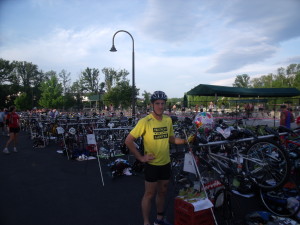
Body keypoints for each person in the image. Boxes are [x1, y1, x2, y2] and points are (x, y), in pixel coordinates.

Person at [125, 91, 187, 225]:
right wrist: (141, 158)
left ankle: (159, 219)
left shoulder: (167, 119)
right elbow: (128, 140)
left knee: (163, 192)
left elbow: (171, 138)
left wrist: (185, 141)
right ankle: (146, 222)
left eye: (162, 104)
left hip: (166, 163)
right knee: (149, 194)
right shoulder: (145, 121)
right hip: (152, 165)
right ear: (152, 105)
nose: (160, 106)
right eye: (157, 104)